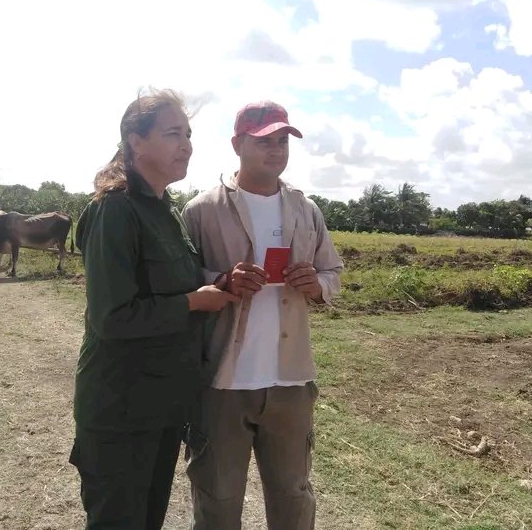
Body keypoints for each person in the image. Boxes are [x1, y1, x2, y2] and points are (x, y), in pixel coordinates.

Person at [69, 89, 239, 530]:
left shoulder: (167, 211)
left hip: (163, 404)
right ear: (136, 141)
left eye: (188, 134)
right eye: (173, 134)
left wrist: (213, 287)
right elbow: (112, 317)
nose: (187, 145)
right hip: (121, 409)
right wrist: (193, 301)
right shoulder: (115, 211)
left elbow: (172, 289)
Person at [182, 101, 344, 530]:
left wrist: (318, 284)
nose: (276, 150)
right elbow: (179, 281)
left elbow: (334, 271)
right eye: (263, 141)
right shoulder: (202, 210)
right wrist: (221, 281)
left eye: (282, 141)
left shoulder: (305, 209)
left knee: (293, 496)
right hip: (223, 381)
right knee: (217, 500)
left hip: (291, 381)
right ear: (237, 144)